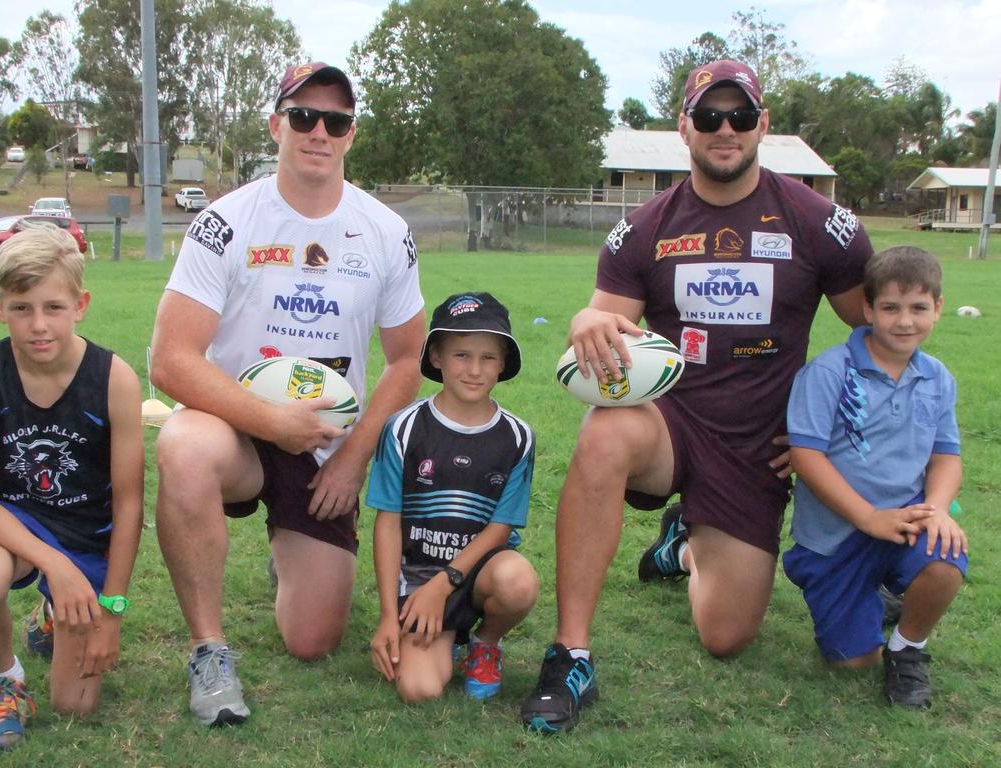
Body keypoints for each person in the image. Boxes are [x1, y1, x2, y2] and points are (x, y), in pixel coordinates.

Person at [520, 59, 875, 734]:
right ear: (684, 126)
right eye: (708, 116)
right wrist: (584, 322)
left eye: (740, 116)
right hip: (671, 421)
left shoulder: (815, 221)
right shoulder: (646, 229)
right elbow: (603, 323)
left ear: (762, 124)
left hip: (757, 444)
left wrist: (815, 431)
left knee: (726, 636)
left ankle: (681, 547)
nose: (725, 129)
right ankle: (571, 653)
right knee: (604, 430)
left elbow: (879, 333)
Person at [149, 61, 426, 726]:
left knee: (313, 642)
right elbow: (169, 359)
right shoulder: (225, 222)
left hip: (327, 447)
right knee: (182, 446)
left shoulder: (385, 231)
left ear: (351, 135)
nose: (318, 131)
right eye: (303, 116)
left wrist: (357, 456)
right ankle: (208, 651)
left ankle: (290, 561)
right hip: (238, 430)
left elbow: (408, 357)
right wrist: (272, 423)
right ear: (277, 124)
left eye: (335, 121)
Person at [0, 225, 144, 752]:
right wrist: (54, 564)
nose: (39, 325)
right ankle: (4, 681)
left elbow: (130, 501)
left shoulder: (113, 377)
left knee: (75, 704)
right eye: (22, 308)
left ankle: (55, 615)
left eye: (54, 307)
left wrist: (112, 610)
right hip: (15, 528)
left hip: (87, 536)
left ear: (81, 304)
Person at [784, 245, 967, 709]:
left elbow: (946, 455)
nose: (905, 321)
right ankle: (877, 596)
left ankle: (908, 649)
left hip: (905, 522)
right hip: (836, 537)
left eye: (918, 308)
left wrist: (940, 510)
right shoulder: (829, 373)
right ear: (868, 309)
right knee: (852, 662)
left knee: (946, 557)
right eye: (890, 308)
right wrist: (868, 518)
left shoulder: (938, 378)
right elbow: (806, 456)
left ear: (938, 309)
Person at [367, 293, 538, 702]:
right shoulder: (403, 429)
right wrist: (389, 618)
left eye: (488, 358)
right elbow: (388, 522)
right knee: (419, 690)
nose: (475, 370)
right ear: (437, 356)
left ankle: (484, 644)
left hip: (474, 577)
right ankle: (445, 639)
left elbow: (500, 529)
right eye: (462, 355)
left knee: (518, 581)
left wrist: (445, 585)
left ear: (502, 364)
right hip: (419, 580)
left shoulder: (518, 437)